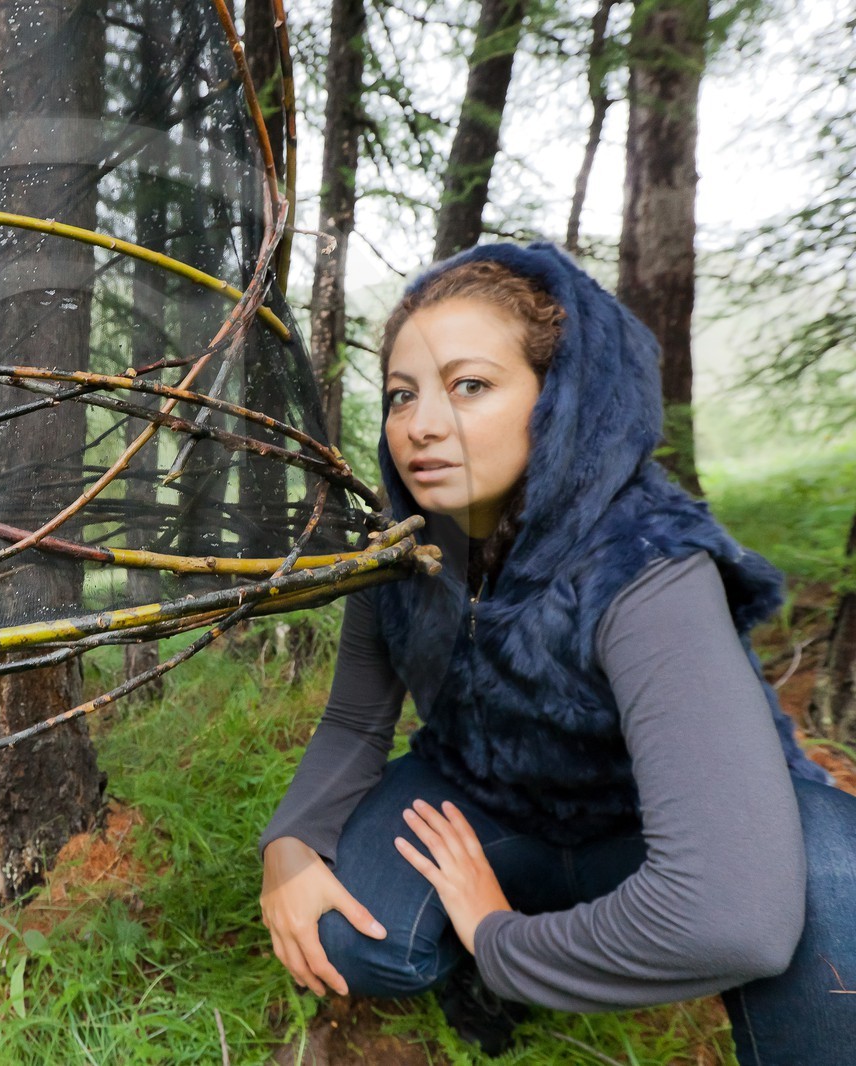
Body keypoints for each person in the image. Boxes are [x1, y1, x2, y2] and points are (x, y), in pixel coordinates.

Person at [257, 241, 856, 1065]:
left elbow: (731, 917)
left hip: (643, 830)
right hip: (487, 800)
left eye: (470, 385)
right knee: (345, 930)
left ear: (559, 399)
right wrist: (287, 843)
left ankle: (523, 954)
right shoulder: (398, 556)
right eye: (402, 395)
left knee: (824, 882)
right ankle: (469, 954)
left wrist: (502, 944)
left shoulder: (645, 566)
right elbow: (356, 722)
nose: (421, 425)